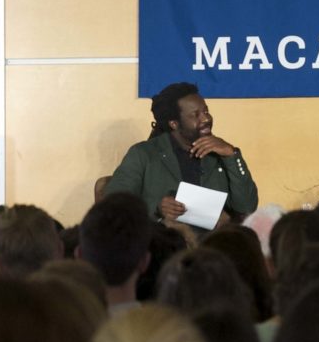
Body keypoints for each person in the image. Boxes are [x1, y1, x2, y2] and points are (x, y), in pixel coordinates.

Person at [106, 82, 259, 234]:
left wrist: (231, 155)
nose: (206, 119)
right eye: (195, 115)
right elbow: (114, 204)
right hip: (163, 245)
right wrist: (156, 208)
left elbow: (246, 206)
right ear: (174, 123)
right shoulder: (143, 154)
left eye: (206, 111)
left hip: (212, 246)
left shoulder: (220, 154)